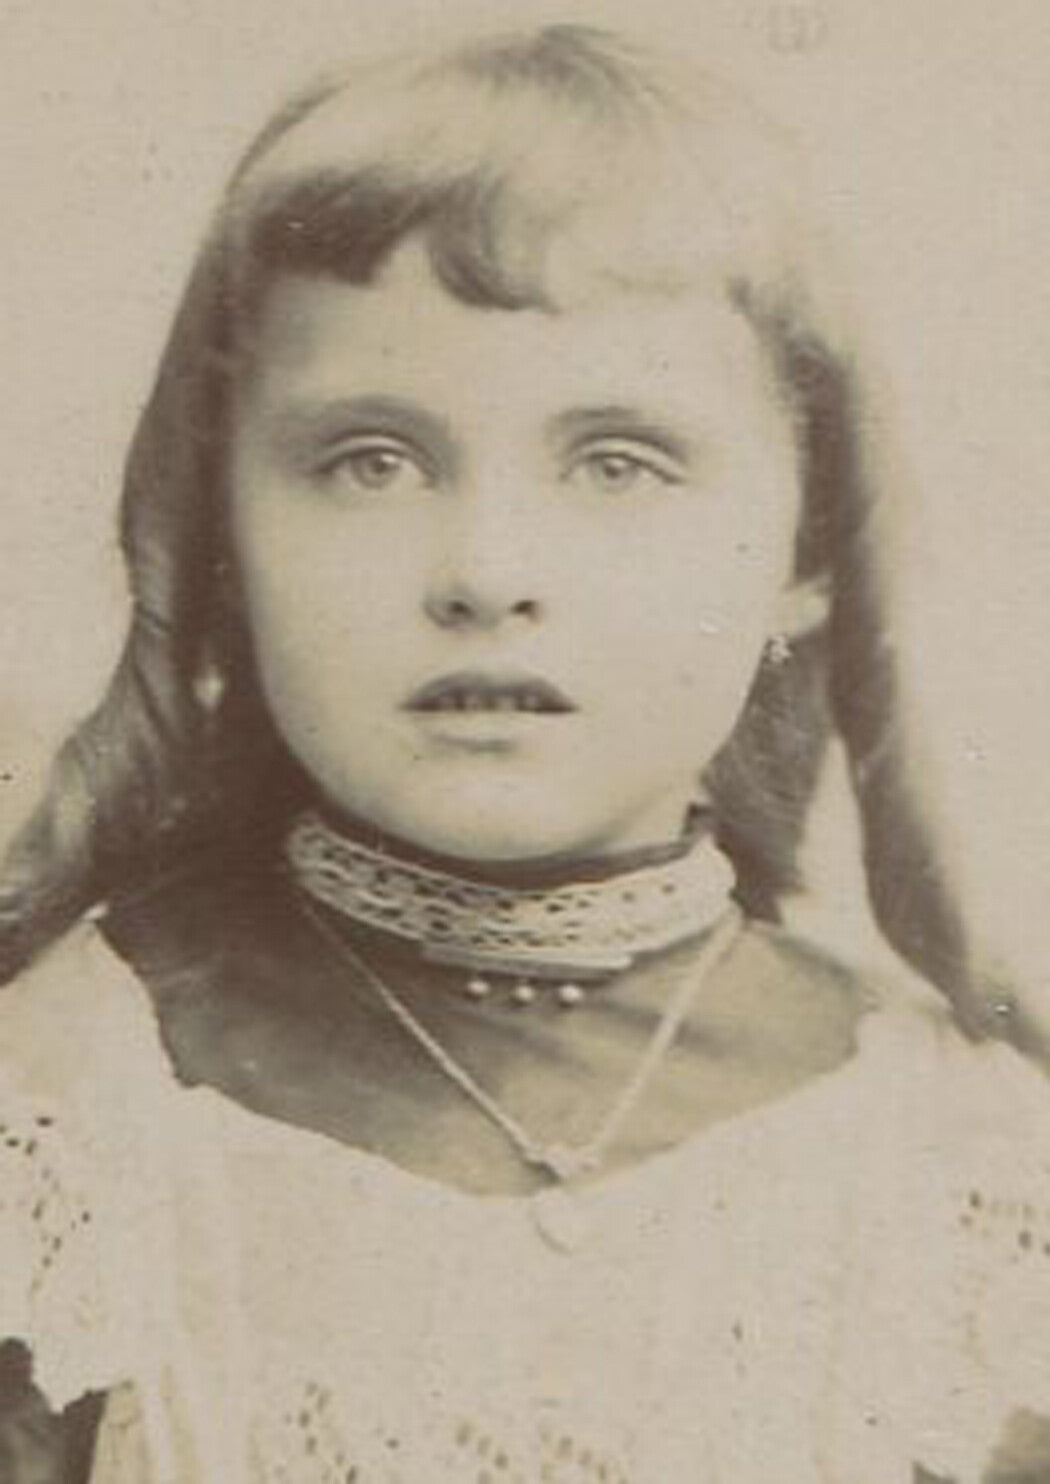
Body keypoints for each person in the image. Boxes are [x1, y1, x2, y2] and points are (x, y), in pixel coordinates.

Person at [0, 20, 1047, 1483]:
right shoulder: (58, 1113)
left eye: (618, 462)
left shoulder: (968, 1165)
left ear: (803, 549)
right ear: (221, 531)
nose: (486, 569)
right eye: (370, 460)